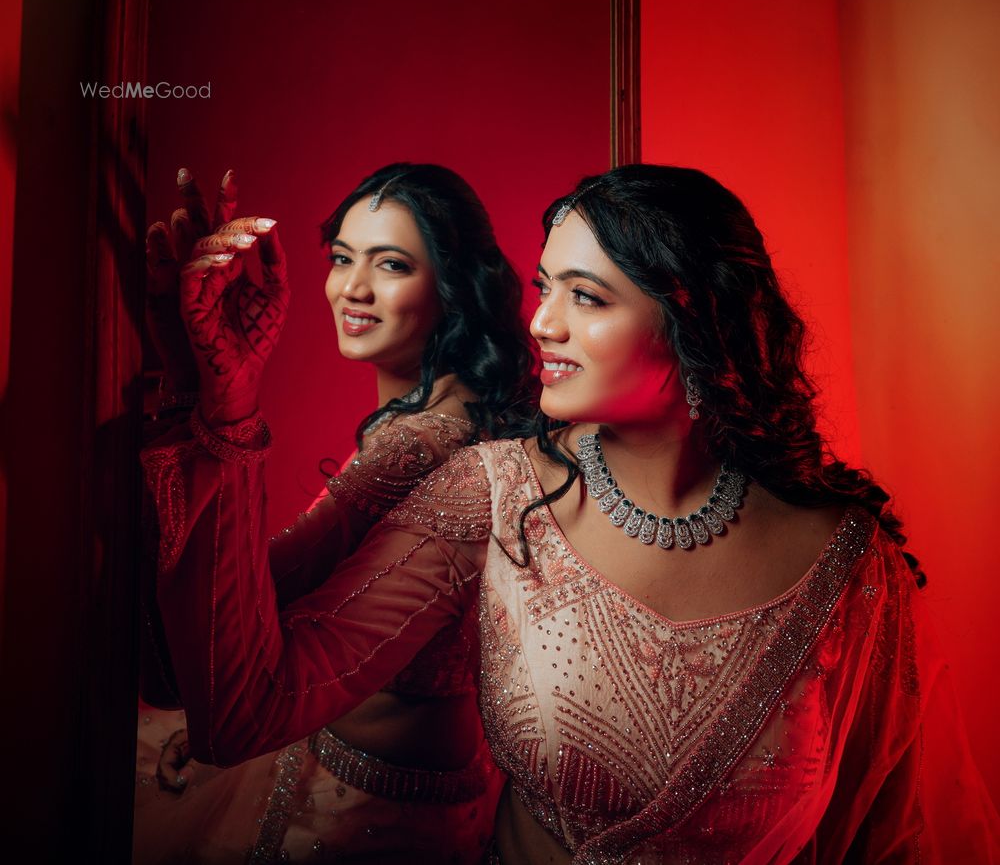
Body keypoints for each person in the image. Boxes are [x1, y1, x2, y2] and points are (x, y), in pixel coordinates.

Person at [144, 164, 1000, 863]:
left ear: (693, 322)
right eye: (544, 287)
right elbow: (246, 710)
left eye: (586, 297)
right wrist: (225, 402)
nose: (543, 323)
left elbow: (892, 839)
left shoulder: (849, 568)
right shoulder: (495, 493)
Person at [135, 161, 534, 865]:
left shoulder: (424, 443)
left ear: (453, 284)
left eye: (391, 265)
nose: (352, 288)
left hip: (367, 814)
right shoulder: (460, 413)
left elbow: (216, 648)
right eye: (343, 258)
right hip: (396, 776)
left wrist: (218, 401)